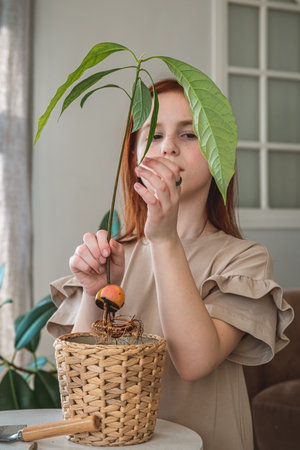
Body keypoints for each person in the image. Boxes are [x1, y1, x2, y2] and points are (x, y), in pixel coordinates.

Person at [47, 79, 294, 450]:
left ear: (217, 155)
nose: (168, 147)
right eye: (154, 134)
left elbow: (194, 362)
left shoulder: (244, 261)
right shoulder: (115, 256)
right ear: (133, 159)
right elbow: (86, 378)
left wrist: (163, 239)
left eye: (190, 135)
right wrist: (92, 291)